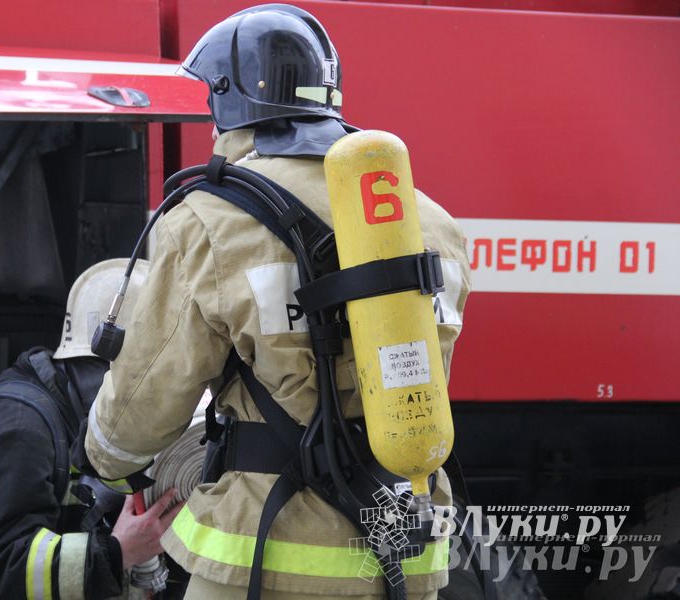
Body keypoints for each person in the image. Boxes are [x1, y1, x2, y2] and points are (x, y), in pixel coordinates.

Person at [83, 5, 471, 599]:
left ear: (226, 102)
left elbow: (146, 402)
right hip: (404, 553)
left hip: (265, 555)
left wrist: (106, 456)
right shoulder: (431, 222)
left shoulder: (211, 220)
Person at [0, 258, 183, 600]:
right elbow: (5, 571)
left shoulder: (71, 418)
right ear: (113, 367)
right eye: (147, 376)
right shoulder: (16, 431)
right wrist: (119, 551)